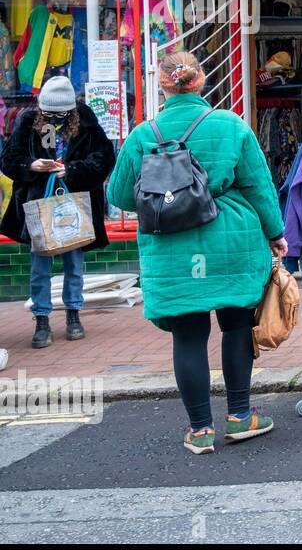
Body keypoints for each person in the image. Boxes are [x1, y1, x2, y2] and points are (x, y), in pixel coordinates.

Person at [107, 52, 287, 456]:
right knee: (237, 325)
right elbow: (259, 186)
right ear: (201, 80)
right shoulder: (231, 125)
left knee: (189, 337)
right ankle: (241, 417)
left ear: (162, 83)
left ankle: (200, 429)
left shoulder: (142, 135)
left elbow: (119, 195)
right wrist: (275, 234)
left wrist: (167, 197)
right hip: (232, 241)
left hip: (171, 245)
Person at [1, 76, 116, 349]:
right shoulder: (28, 122)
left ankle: (74, 316)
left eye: (60, 113)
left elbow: (104, 158)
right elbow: (8, 160)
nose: (54, 117)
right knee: (40, 267)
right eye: (49, 113)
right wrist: (32, 165)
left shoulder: (85, 121)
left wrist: (73, 170)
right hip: (40, 204)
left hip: (74, 202)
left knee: (73, 264)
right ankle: (42, 319)